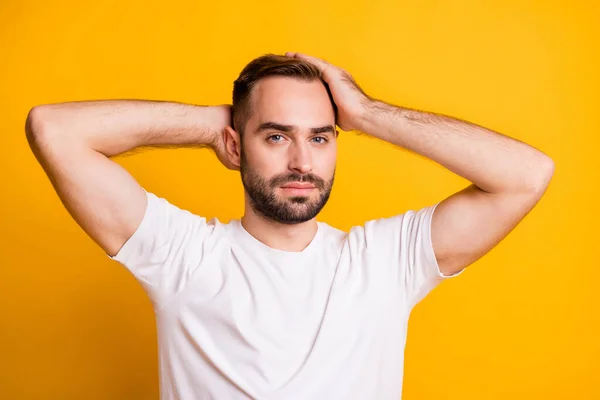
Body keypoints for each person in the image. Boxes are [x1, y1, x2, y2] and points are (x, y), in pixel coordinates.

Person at [25, 52, 554, 399]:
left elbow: (526, 175)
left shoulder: (385, 262)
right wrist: (214, 123)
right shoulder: (183, 256)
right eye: (276, 137)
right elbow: (54, 129)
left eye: (320, 138)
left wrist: (367, 113)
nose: (302, 160)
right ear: (237, 146)